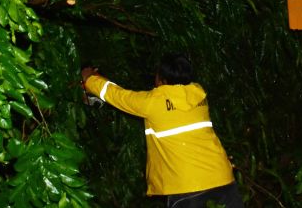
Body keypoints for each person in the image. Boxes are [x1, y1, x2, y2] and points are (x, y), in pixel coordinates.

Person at [81, 53, 243, 208]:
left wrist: (90, 79)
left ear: (162, 80)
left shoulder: (152, 103)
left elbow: (118, 96)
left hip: (187, 186)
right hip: (223, 178)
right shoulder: (199, 95)